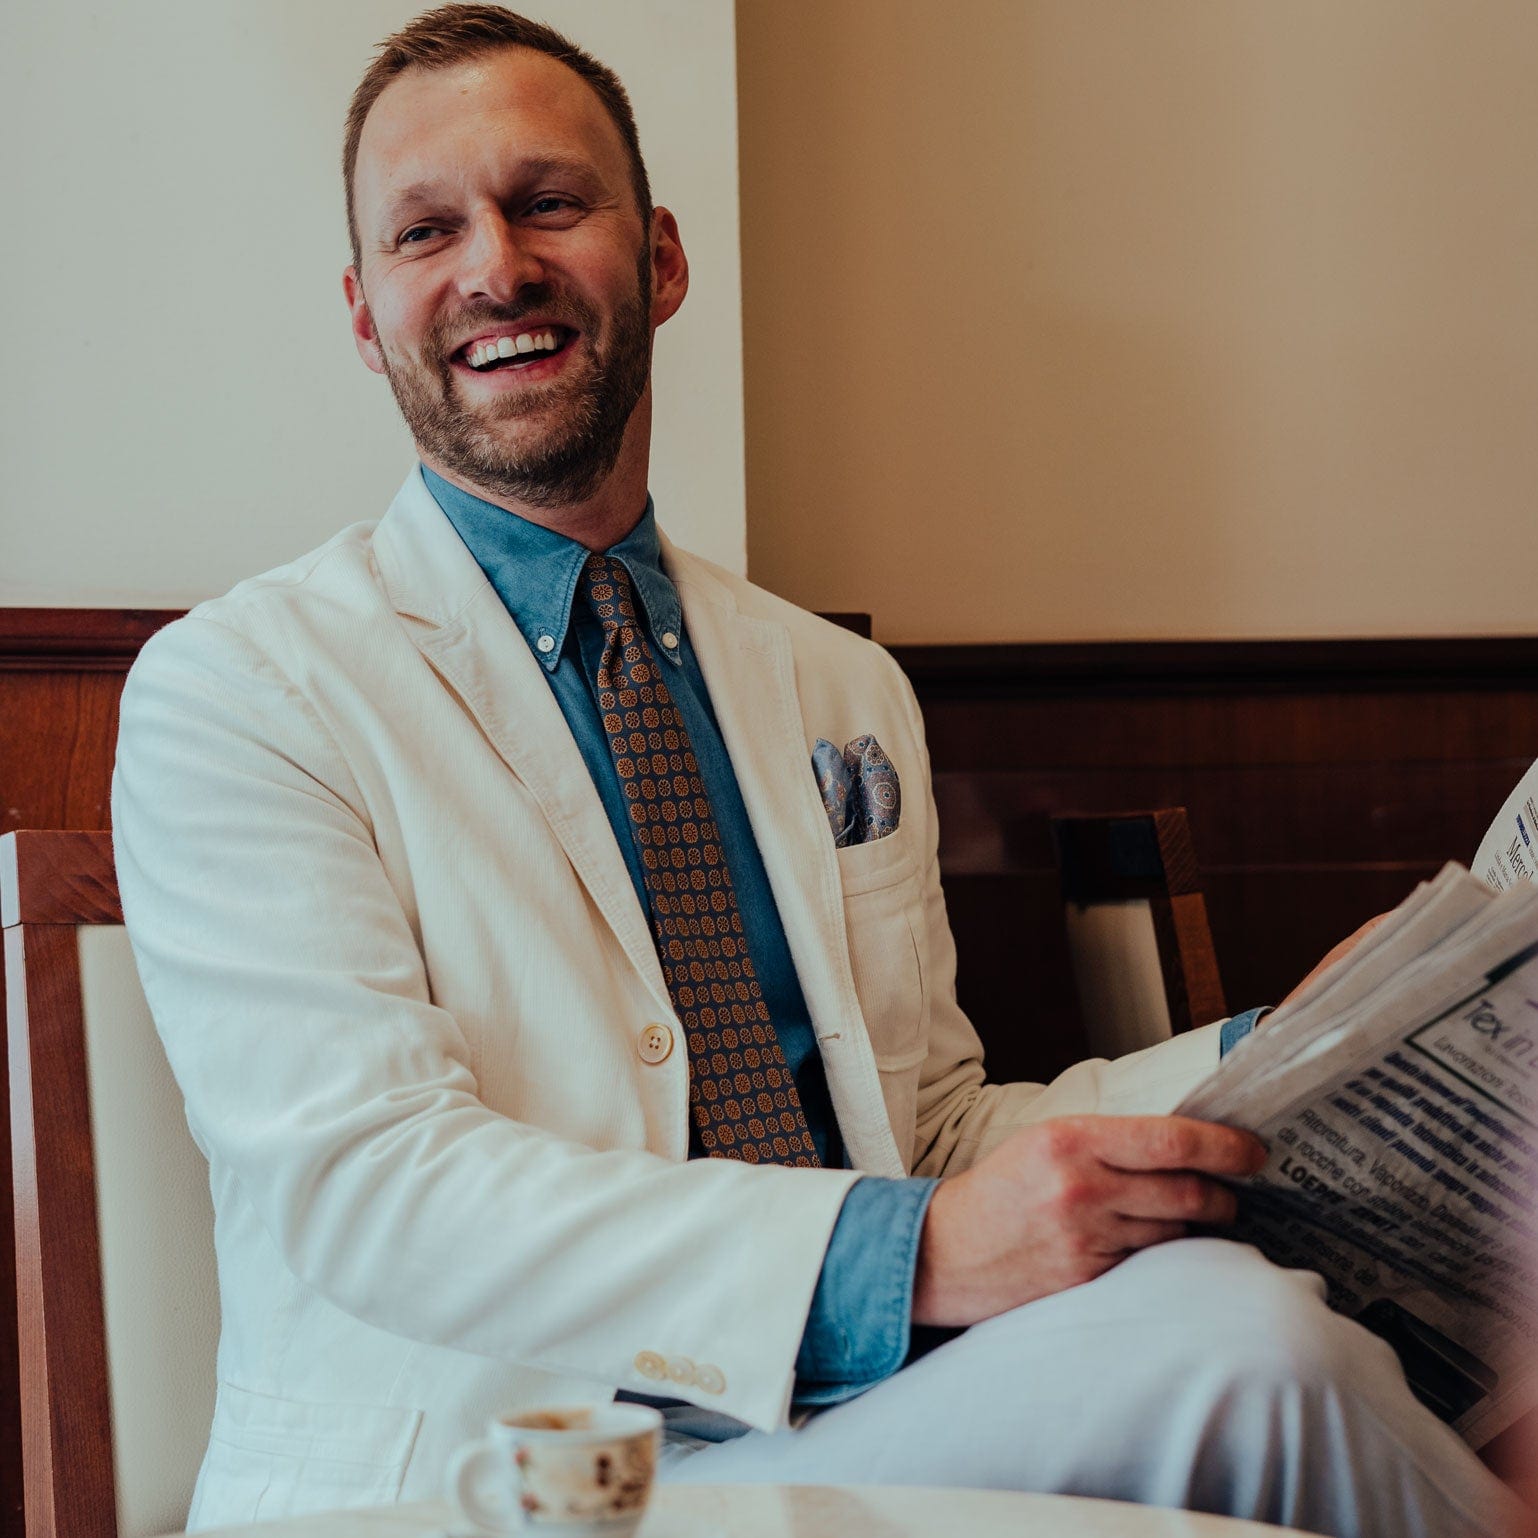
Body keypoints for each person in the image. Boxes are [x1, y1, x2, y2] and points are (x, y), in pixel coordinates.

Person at [110, 8, 1519, 1536]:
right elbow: (374, 1184)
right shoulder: (238, 688)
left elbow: (923, 1133)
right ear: (367, 310)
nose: (493, 266)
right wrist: (903, 1256)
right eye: (425, 230)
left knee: (1253, 1315)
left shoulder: (835, 684)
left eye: (547, 202)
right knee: (1248, 1355)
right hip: (500, 1482)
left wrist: (1307, 1031)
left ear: (658, 260)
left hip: (853, 1417)